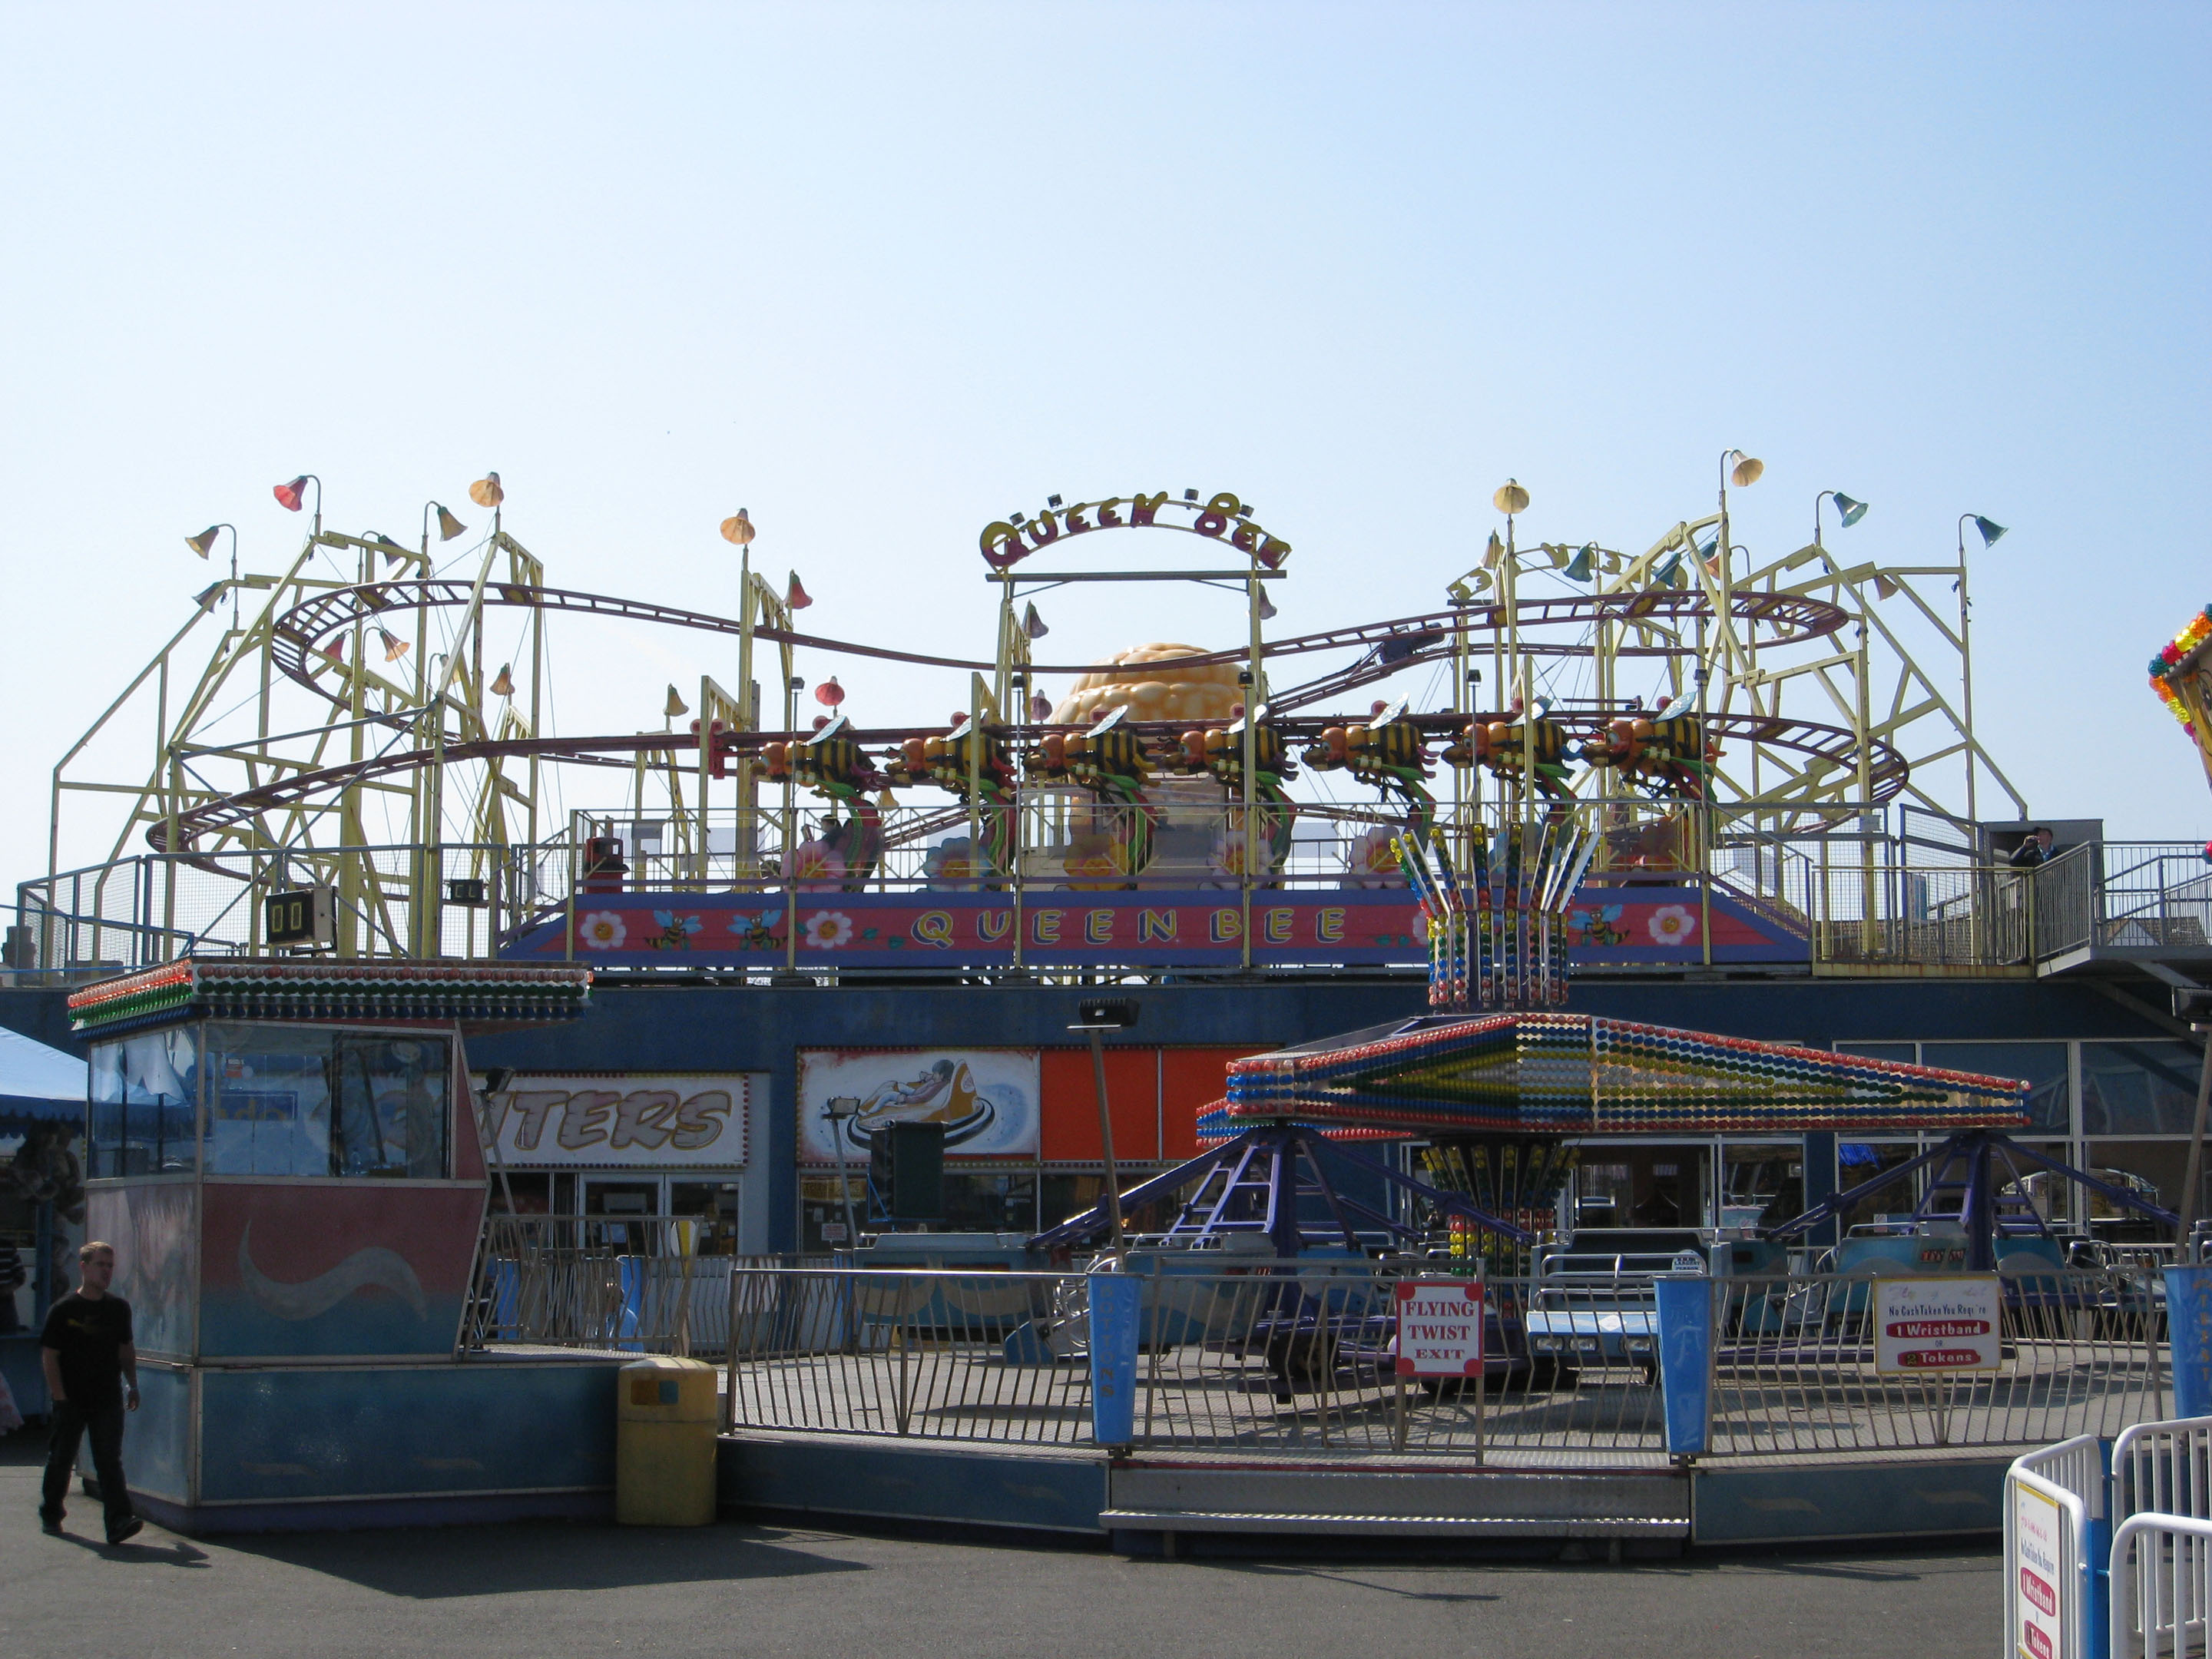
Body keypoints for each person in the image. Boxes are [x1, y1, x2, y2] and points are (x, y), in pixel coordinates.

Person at [38, 1239, 141, 1544]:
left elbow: (126, 1350)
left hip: (107, 1397)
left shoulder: (118, 1309)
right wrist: (59, 1396)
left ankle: (118, 1521)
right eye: (100, 1265)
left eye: (110, 1266)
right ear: (84, 1268)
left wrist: (133, 1384)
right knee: (61, 1457)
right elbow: (50, 1355)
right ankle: (51, 1512)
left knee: (109, 1460)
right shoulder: (64, 1309)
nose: (106, 1271)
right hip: (71, 1398)